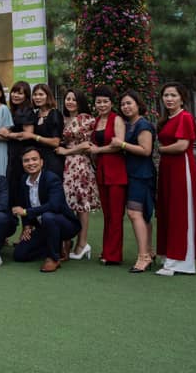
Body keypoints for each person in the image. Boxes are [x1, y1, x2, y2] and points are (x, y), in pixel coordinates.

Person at [155, 82, 196, 276]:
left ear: (182, 98)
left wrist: (160, 149)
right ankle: (169, 256)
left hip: (181, 167)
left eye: (173, 95)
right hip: (167, 168)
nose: (169, 99)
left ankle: (180, 261)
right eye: (166, 95)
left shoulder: (185, 117)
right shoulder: (167, 119)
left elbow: (182, 145)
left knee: (180, 211)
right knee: (167, 210)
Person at [11, 147, 80, 273]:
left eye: (34, 159)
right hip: (43, 226)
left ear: (41, 162)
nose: (31, 163)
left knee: (48, 216)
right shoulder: (24, 180)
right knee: (19, 255)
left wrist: (26, 212)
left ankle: (54, 258)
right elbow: (24, 204)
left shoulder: (51, 178)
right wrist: (27, 225)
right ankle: (57, 245)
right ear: (22, 164)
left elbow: (54, 206)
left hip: (65, 225)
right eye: (26, 160)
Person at [54, 89, 100, 261]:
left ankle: (82, 243)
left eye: (74, 99)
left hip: (79, 164)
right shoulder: (63, 119)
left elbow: (88, 145)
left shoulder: (86, 119)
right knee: (68, 203)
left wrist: (67, 151)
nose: (70, 102)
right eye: (68, 98)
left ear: (80, 101)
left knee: (81, 205)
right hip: (65, 165)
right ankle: (66, 243)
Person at [88, 85, 127, 265]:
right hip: (102, 171)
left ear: (111, 103)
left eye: (105, 101)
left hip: (116, 170)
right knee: (107, 215)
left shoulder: (116, 119)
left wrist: (98, 150)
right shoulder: (96, 121)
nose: (102, 105)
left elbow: (118, 145)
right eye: (99, 102)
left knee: (116, 215)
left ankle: (114, 255)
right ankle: (107, 251)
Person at [121, 89, 157, 274]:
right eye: (123, 104)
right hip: (132, 173)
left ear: (138, 104)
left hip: (141, 175)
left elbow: (146, 150)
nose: (126, 107)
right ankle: (149, 251)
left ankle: (143, 257)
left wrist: (121, 144)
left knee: (135, 213)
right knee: (142, 214)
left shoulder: (143, 125)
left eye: (129, 103)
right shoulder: (129, 125)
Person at [1, 81, 35, 197]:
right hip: (12, 153)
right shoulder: (13, 110)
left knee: (19, 186)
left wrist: (8, 134)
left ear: (26, 96)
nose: (15, 95)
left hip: (22, 154)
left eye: (20, 93)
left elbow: (28, 134)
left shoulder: (27, 111)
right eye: (14, 92)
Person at [26, 83, 64, 178]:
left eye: (41, 94)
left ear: (48, 96)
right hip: (37, 162)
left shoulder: (54, 114)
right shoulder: (35, 115)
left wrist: (34, 137)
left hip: (52, 160)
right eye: (35, 95)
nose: (37, 97)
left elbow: (55, 142)